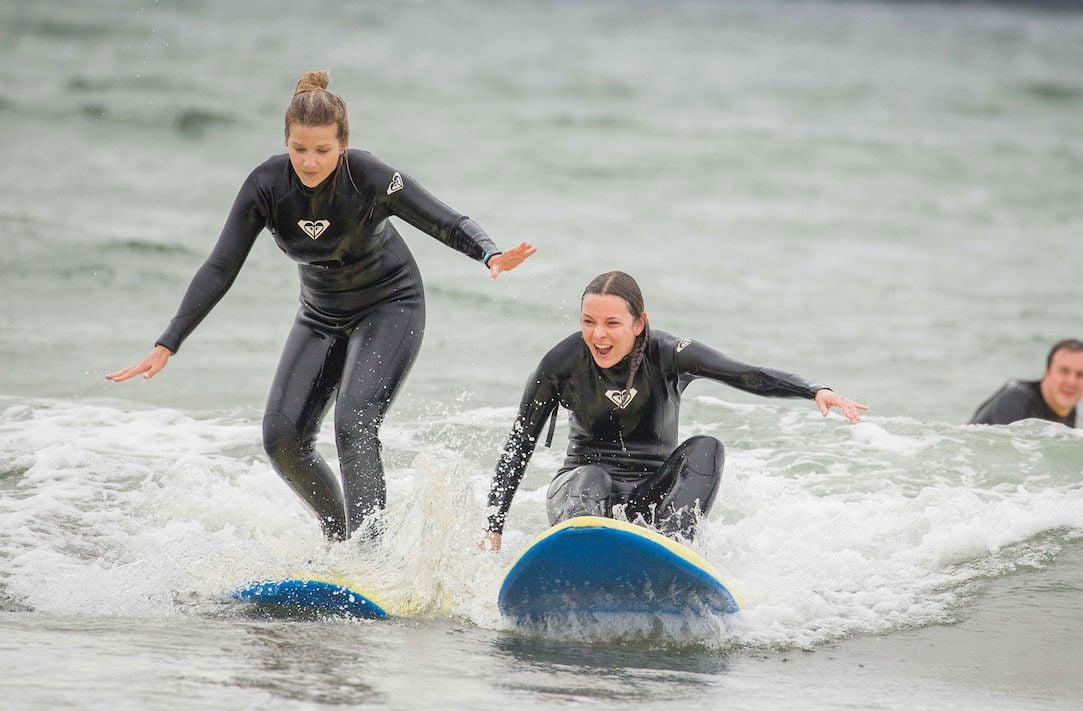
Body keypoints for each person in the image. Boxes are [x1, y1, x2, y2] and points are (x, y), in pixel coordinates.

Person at [107, 71, 536, 542]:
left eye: (323, 150)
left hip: (390, 305)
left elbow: (443, 219)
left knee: (353, 421)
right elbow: (220, 267)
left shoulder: (368, 175)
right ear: (286, 142)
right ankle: (342, 538)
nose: (309, 162)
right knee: (282, 438)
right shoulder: (266, 186)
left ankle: (372, 555)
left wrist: (489, 253)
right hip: (320, 314)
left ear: (343, 143)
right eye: (298, 149)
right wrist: (169, 341)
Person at [479, 271, 866, 550]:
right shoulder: (561, 363)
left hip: (652, 500)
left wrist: (813, 389)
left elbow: (745, 373)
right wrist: (493, 527)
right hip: (579, 494)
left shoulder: (668, 354)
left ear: (639, 323)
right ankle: (583, 553)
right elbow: (519, 444)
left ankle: (667, 552)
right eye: (588, 322)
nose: (598, 335)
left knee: (707, 448)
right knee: (592, 477)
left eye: (612, 323)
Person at [968, 339, 1083, 428]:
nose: (1071, 382)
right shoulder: (1016, 398)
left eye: (1080, 375)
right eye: (1064, 371)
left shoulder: (1069, 411)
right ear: (1047, 372)